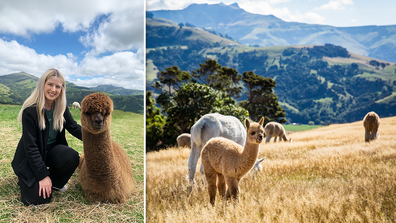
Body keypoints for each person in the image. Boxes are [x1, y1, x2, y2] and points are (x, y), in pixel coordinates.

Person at [11, 69, 82, 205]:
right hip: (30, 155)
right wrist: (43, 175)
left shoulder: (61, 107)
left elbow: (74, 128)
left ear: (62, 89)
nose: (53, 89)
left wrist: (98, 138)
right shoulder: (30, 110)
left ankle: (54, 183)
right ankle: (27, 179)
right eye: (50, 84)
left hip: (50, 150)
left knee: (72, 156)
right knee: (39, 199)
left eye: (58, 86)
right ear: (42, 84)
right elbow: (31, 147)